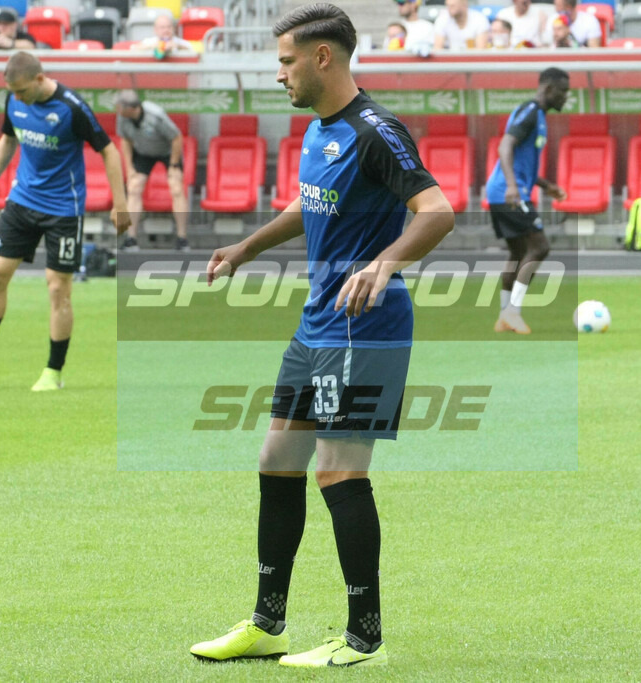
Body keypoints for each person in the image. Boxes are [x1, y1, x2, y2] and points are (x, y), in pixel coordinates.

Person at [189, 2, 454, 669]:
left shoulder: (376, 131)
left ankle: (364, 636)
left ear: (322, 58)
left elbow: (438, 210)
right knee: (276, 459)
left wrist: (385, 261)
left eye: (285, 61)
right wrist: (246, 247)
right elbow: (309, 206)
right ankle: (267, 623)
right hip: (318, 323)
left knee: (339, 471)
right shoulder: (318, 130)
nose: (280, 74)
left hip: (367, 328)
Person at [0, 52, 130, 390]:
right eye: (13, 91)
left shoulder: (71, 107)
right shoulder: (13, 100)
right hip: (21, 200)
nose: (18, 97)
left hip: (63, 209)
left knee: (58, 289)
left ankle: (53, 372)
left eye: (22, 91)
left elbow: (109, 151)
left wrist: (121, 202)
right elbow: (8, 140)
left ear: (40, 79)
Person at [485, 67, 569, 335]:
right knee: (540, 247)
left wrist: (547, 186)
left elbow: (523, 164)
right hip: (508, 191)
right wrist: (512, 185)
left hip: (505, 190)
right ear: (547, 89)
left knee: (519, 252)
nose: (566, 97)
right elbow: (505, 145)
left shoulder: (539, 116)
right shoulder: (530, 111)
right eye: (563, 91)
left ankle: (504, 316)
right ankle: (513, 312)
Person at [114, 89, 190, 251]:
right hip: (143, 152)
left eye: (120, 106)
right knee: (134, 188)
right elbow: (125, 141)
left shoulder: (156, 116)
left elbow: (176, 138)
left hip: (168, 152)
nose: (117, 110)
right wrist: (129, 168)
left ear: (133, 108)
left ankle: (182, 238)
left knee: (176, 188)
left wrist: (173, 165)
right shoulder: (122, 117)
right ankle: (131, 239)